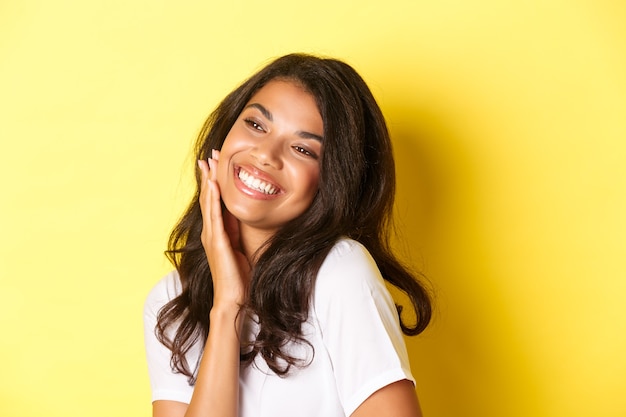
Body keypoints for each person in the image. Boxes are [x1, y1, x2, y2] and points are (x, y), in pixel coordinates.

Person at [143, 53, 432, 417]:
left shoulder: (339, 272)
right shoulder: (172, 302)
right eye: (256, 125)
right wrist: (228, 305)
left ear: (332, 180)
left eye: (302, 149)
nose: (265, 154)